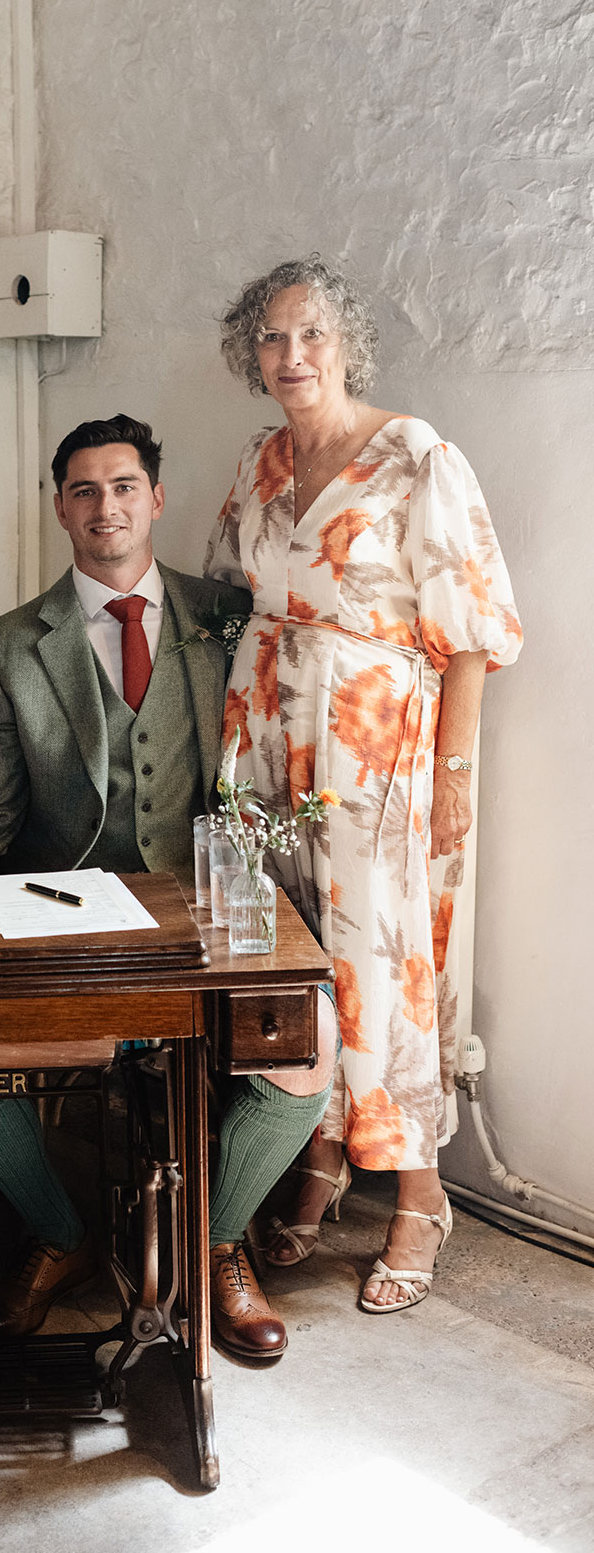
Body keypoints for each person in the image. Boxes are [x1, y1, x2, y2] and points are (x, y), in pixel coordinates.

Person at [0, 414, 339, 1359]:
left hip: (212, 912)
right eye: (84, 490)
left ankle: (213, 1239)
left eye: (124, 486)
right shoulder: (5, 645)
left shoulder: (230, 616)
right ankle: (62, 1233)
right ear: (59, 509)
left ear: (156, 498)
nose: (106, 506)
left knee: (310, 1048)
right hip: (66, 920)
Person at [206, 256, 522, 1314]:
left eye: (311, 336)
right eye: (271, 339)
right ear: (251, 356)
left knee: (379, 972)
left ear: (346, 345)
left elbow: (471, 633)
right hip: (262, 743)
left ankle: (419, 1197)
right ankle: (320, 1156)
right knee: (288, 955)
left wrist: (456, 774)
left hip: (370, 746)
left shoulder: (415, 455)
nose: (292, 357)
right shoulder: (258, 461)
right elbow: (229, 591)